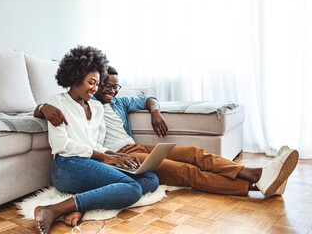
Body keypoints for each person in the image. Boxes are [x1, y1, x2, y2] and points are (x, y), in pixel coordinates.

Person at [35, 66, 299, 221]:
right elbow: (58, 114)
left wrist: (155, 111)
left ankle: (258, 175)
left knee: (195, 153)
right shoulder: (84, 103)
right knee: (185, 172)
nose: (110, 90)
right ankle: (255, 184)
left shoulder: (118, 103)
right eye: (104, 84)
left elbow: (149, 98)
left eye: (115, 87)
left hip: (132, 150)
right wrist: (42, 107)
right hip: (116, 156)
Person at [33, 47, 159, 234]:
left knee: (151, 178)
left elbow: (97, 143)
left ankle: (81, 203)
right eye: (91, 82)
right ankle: (51, 209)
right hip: (67, 165)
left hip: (91, 162)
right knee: (132, 189)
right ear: (76, 77)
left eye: (97, 83)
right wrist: (102, 156)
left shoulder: (96, 107)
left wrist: (114, 155)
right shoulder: (57, 102)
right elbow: (62, 145)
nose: (95, 88)